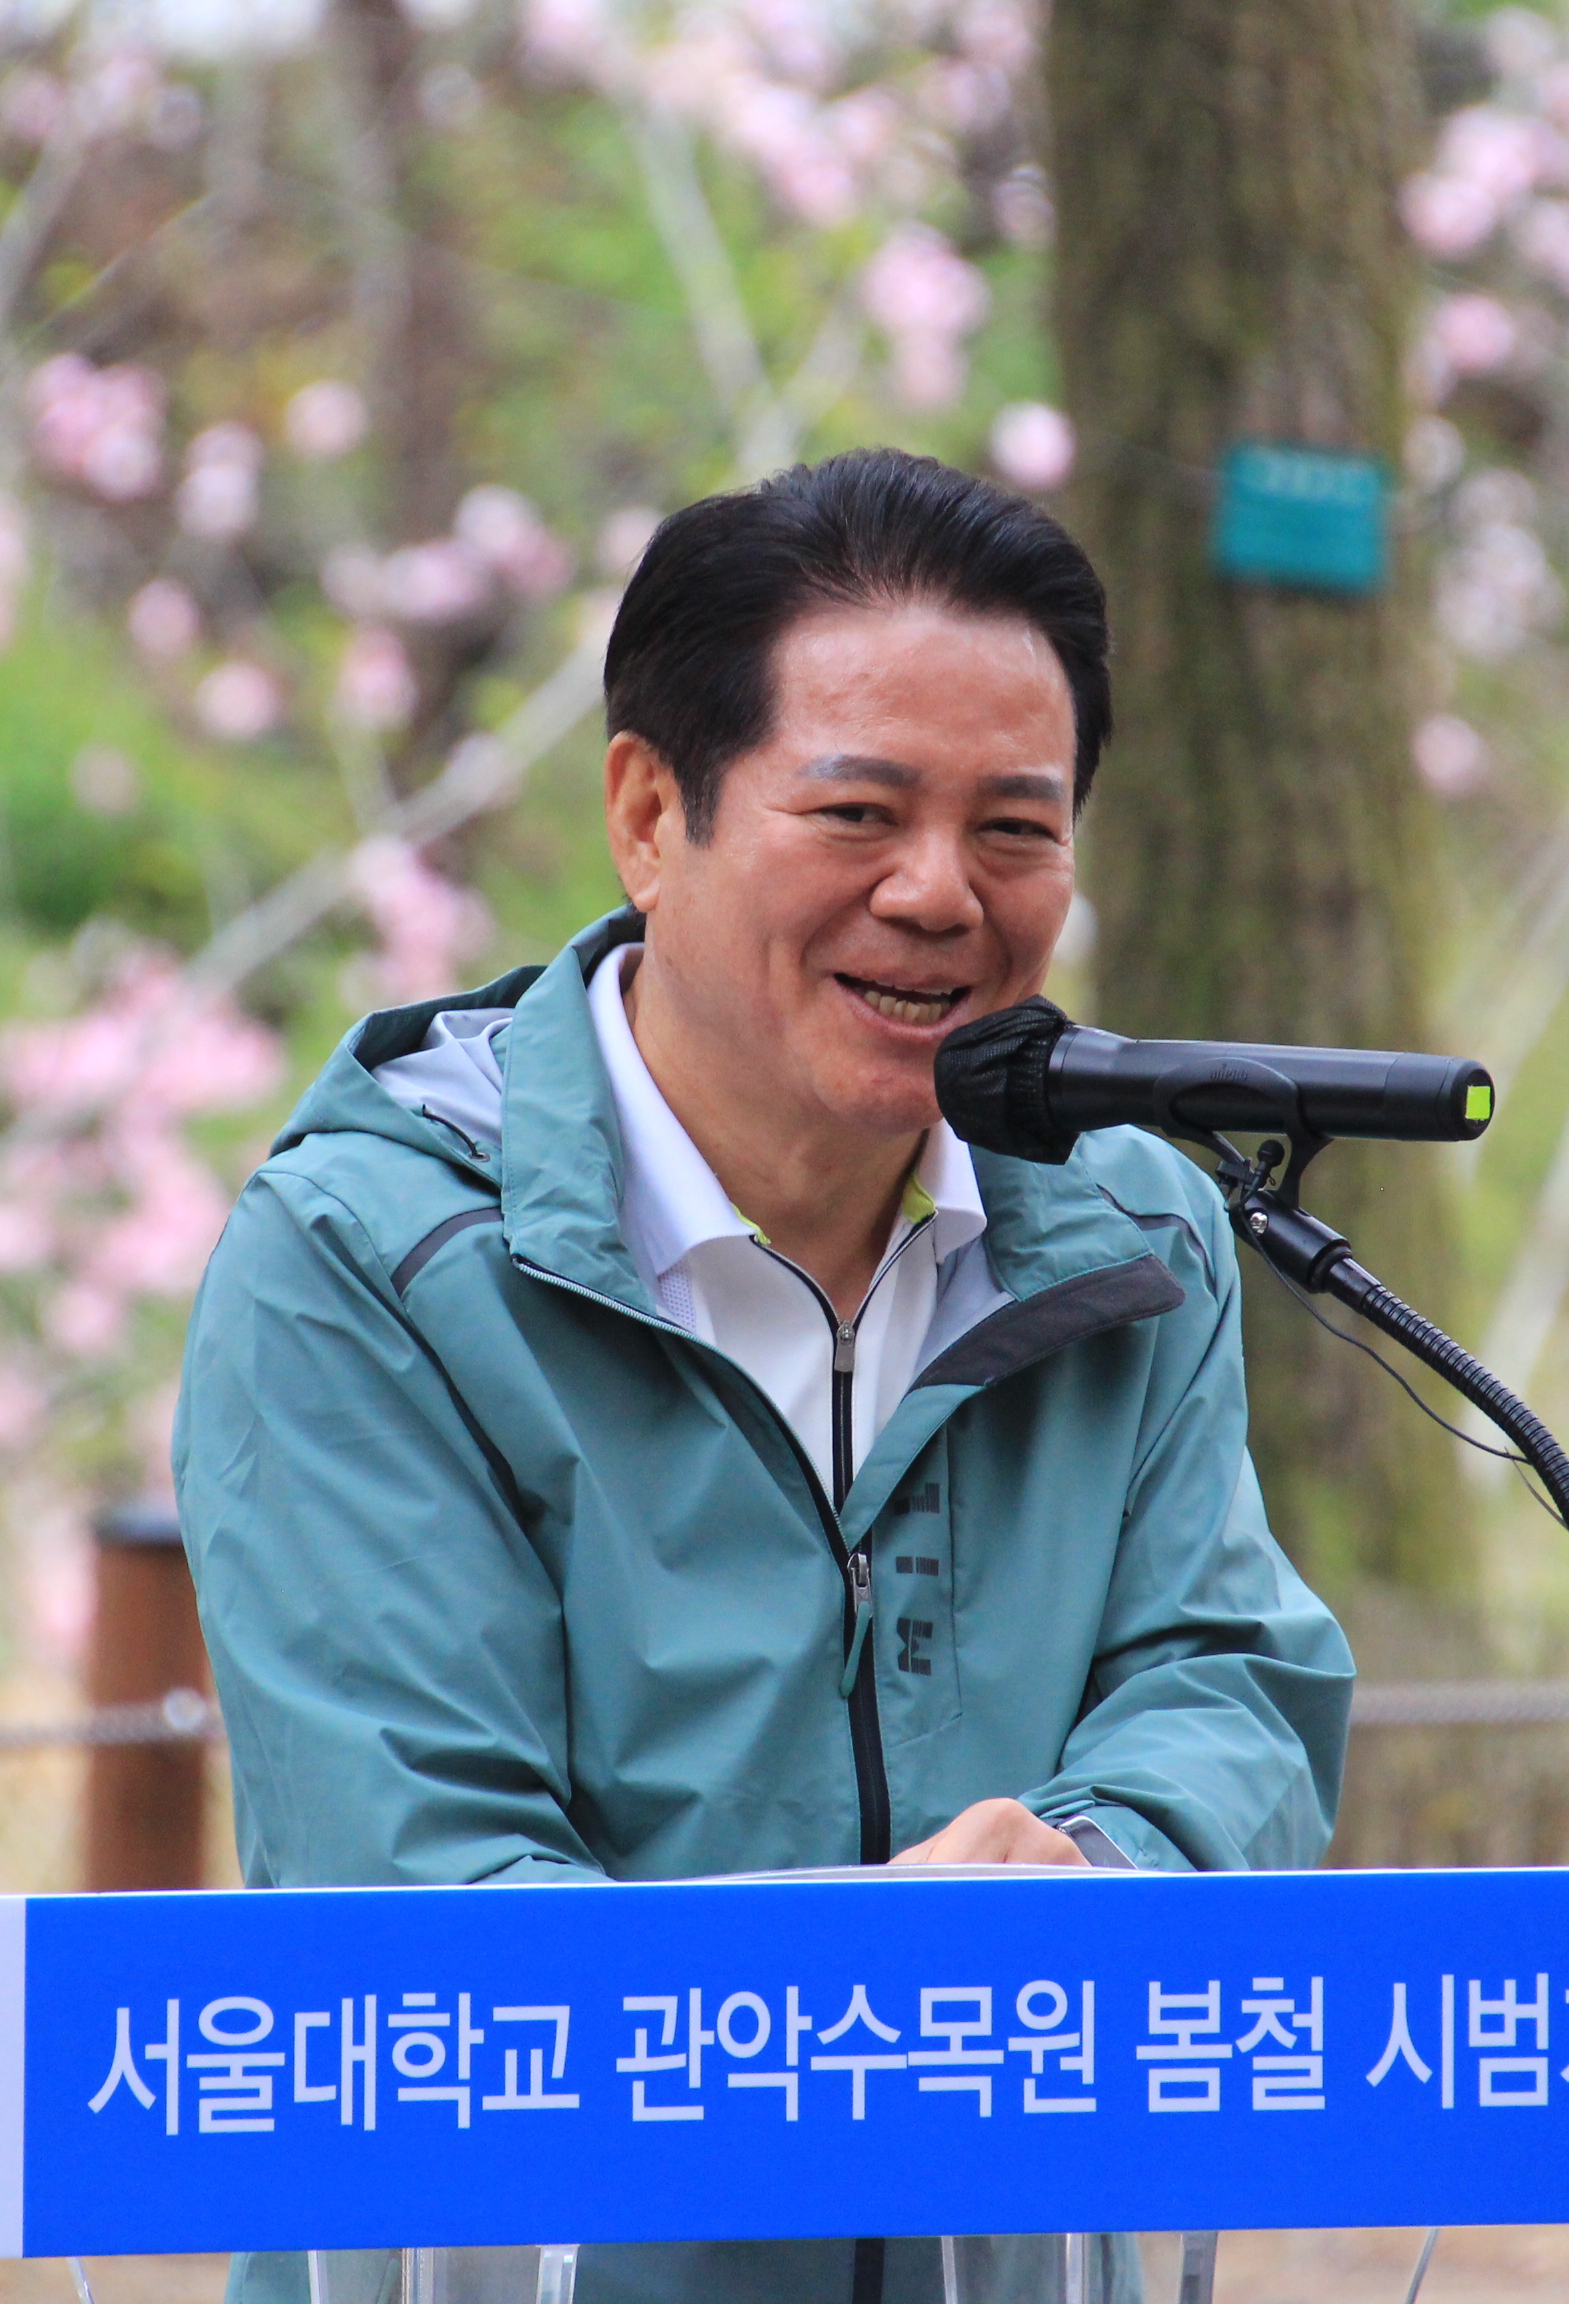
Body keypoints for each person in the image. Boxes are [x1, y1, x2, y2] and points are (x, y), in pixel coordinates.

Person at [175, 448, 1354, 2303]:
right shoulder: (372, 1259)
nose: (940, 896)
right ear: (652, 814)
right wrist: (876, 1978)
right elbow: (414, 1895)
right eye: (858, 812)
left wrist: (1097, 1872)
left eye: (1017, 830)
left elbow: (1227, 1676)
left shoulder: (1130, 1226)